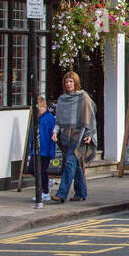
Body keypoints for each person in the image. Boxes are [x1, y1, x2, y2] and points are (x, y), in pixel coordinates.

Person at [51, 71, 98, 203]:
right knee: (76, 165)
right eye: (66, 82)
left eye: (71, 81)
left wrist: (89, 134)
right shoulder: (61, 99)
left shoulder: (83, 97)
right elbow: (58, 120)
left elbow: (90, 117)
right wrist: (55, 132)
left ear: (76, 82)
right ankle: (81, 193)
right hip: (66, 136)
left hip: (79, 135)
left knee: (70, 163)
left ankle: (61, 194)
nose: (68, 84)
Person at [27, 96, 57, 201]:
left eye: (38, 109)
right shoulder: (37, 119)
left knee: (41, 170)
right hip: (36, 150)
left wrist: (51, 152)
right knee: (31, 169)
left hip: (45, 151)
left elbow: (51, 136)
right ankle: (47, 183)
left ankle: (45, 192)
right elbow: (32, 135)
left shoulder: (49, 119)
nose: (37, 111)